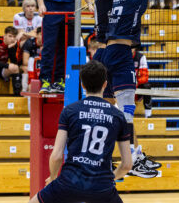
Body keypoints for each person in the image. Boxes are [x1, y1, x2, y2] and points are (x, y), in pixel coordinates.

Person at [95, 0, 175, 178]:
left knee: (107, 107)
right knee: (127, 106)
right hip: (120, 54)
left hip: (103, 53)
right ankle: (130, 158)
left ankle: (104, 157)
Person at [28, 60, 132, 203]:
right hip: (102, 188)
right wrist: (110, 178)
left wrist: (53, 178)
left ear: (82, 85)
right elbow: (127, 165)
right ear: (105, 84)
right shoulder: (118, 116)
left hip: (69, 183)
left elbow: (57, 156)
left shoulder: (70, 111)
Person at [133, 47, 153, 118]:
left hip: (138, 87)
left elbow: (145, 76)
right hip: (126, 86)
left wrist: (137, 82)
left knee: (147, 86)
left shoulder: (141, 57)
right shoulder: (122, 57)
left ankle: (148, 114)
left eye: (132, 48)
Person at [21, 27, 42, 91]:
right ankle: (25, 89)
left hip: (40, 65)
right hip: (30, 65)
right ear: (37, 35)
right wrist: (36, 62)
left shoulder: (48, 44)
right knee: (25, 68)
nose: (43, 37)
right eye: (41, 34)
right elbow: (25, 61)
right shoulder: (29, 42)